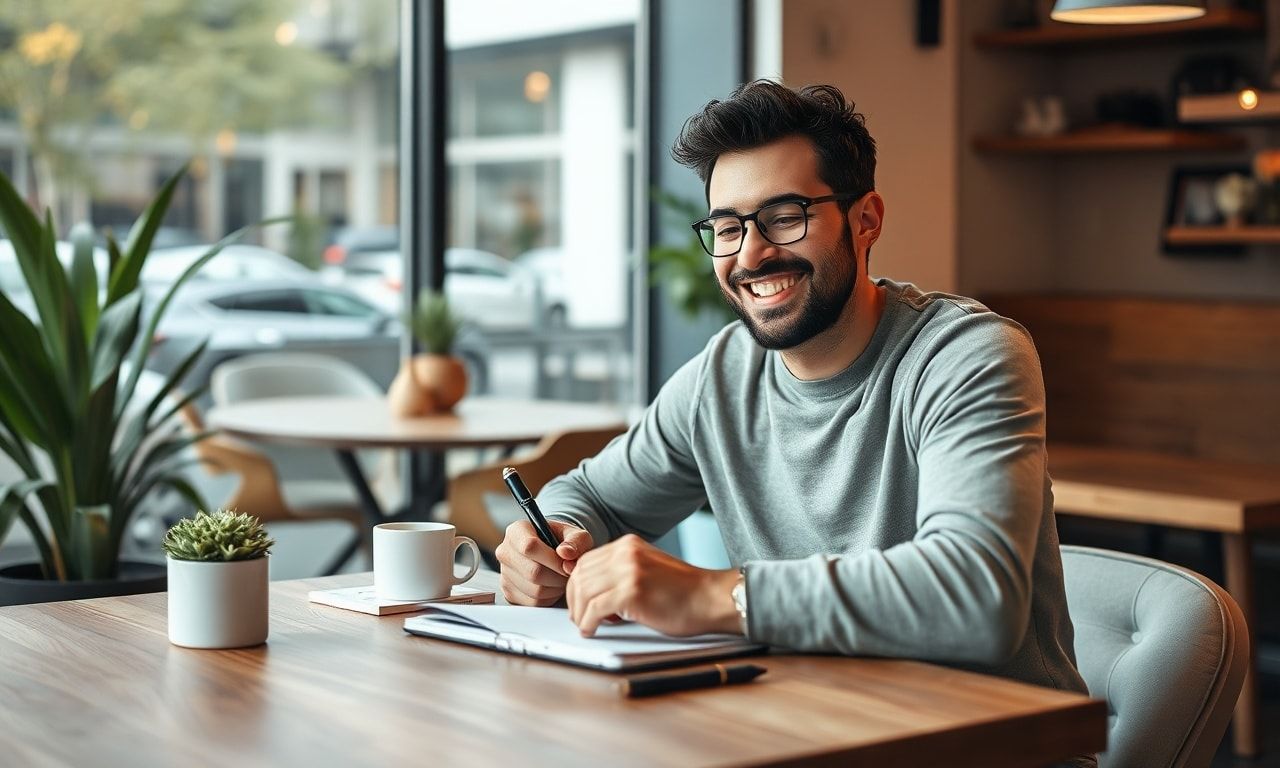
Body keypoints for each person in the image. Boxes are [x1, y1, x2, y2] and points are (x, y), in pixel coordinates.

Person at [495, 80, 1093, 767]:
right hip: (807, 735)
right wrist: (548, 546)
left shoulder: (966, 356)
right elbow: (590, 496)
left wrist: (715, 595)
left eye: (784, 215)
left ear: (865, 220)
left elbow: (976, 596)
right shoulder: (723, 376)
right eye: (727, 227)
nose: (749, 255)